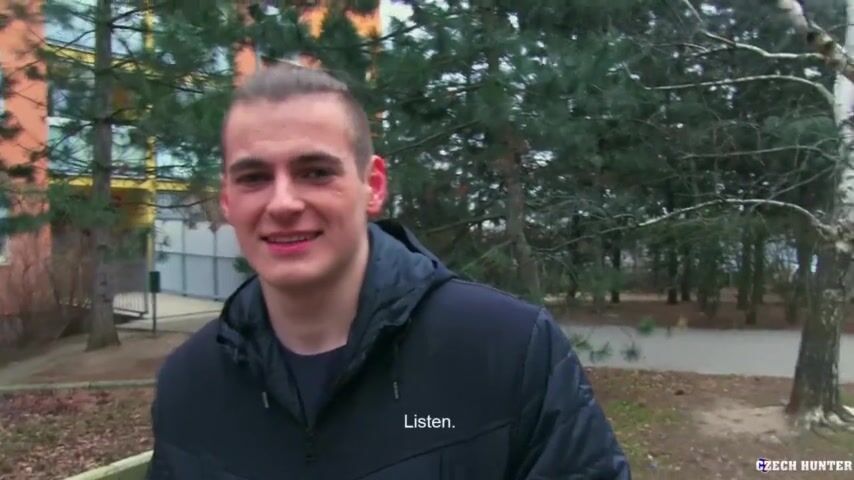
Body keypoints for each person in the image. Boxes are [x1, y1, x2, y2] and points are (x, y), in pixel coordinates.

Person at [146, 63, 631, 479]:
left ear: (373, 186)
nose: (284, 203)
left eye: (316, 172)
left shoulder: (508, 351)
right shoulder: (189, 384)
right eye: (254, 178)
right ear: (228, 201)